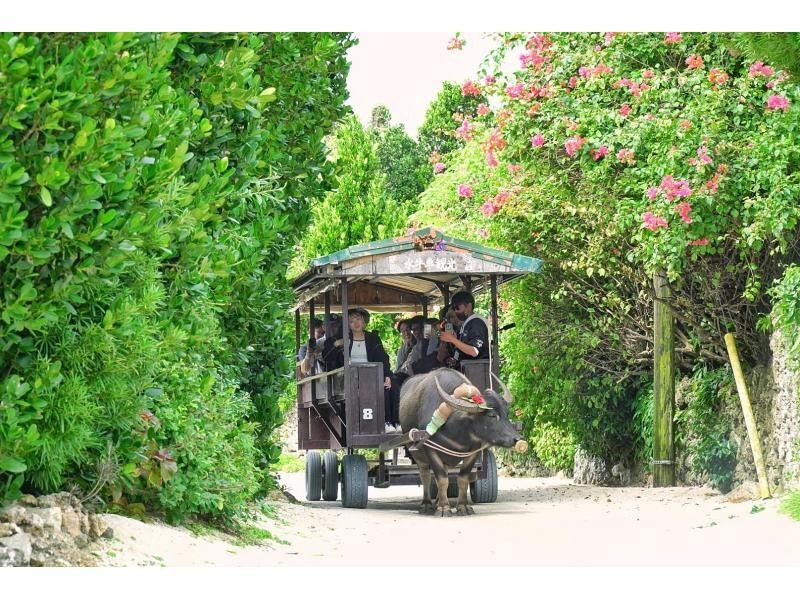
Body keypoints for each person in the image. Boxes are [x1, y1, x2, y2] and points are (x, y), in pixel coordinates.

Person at [409, 290, 491, 442]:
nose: (455, 311)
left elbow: (474, 351)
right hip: (461, 371)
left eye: (457, 308)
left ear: (468, 306)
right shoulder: (466, 325)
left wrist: (452, 340)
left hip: (474, 374)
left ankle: (438, 426)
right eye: (453, 308)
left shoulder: (476, 323)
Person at [323, 307, 401, 433]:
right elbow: (327, 357)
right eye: (351, 321)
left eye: (358, 319)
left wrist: (386, 375)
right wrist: (337, 344)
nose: (356, 323)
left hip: (373, 375)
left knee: (393, 384)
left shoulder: (373, 338)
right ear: (347, 325)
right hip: (351, 378)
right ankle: (384, 422)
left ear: (364, 321)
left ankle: (394, 422)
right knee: (377, 389)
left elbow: (383, 358)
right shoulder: (339, 339)